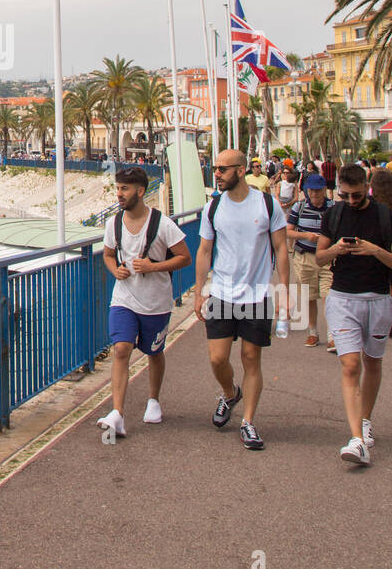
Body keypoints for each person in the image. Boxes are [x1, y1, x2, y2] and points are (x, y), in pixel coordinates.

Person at [193, 149, 289, 450]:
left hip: (257, 293)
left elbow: (282, 248)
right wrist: (198, 291)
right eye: (216, 168)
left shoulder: (267, 204)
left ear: (241, 170)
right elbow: (204, 250)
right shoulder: (213, 207)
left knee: (251, 358)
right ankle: (230, 393)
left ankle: (248, 422)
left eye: (223, 169)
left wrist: (284, 289)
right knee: (217, 358)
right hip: (221, 291)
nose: (217, 173)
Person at [97, 166, 191, 436]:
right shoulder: (113, 223)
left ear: (140, 191)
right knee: (122, 348)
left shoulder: (163, 224)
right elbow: (107, 254)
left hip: (156, 302)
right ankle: (117, 413)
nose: (119, 194)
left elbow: (184, 257)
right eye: (117, 188)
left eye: (124, 189)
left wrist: (153, 267)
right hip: (124, 297)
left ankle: (153, 400)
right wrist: (116, 271)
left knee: (154, 352)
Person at [316, 164, 392, 465]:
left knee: (372, 361)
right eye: (345, 195)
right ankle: (357, 439)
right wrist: (336, 250)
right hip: (343, 298)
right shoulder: (332, 215)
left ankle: (365, 420)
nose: (350, 201)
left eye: (356, 196)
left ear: (367, 187)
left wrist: (375, 251)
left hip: (378, 299)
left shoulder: (385, 216)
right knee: (350, 365)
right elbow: (320, 258)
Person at [286, 173, 332, 348]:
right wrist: (306, 236)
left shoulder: (333, 207)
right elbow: (287, 231)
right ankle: (313, 332)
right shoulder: (299, 207)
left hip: (327, 258)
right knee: (309, 296)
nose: (314, 194)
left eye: (318, 191)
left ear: (324, 190)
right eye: (311, 190)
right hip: (305, 256)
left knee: (329, 296)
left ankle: (332, 334)